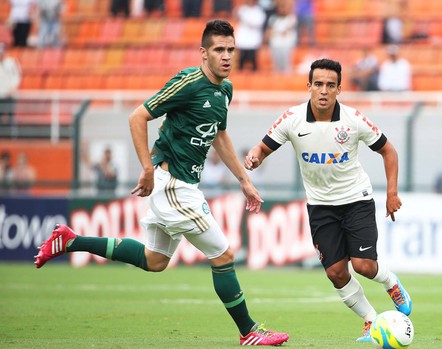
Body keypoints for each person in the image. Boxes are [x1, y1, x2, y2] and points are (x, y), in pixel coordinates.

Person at [34, 19, 289, 347]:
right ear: (203, 53)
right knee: (223, 255)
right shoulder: (188, 82)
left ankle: (71, 241)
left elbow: (219, 136)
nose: (226, 56)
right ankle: (249, 331)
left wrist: (244, 180)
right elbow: (138, 116)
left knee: (154, 261)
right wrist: (146, 168)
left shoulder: (225, 90)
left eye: (231, 50)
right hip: (172, 185)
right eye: (219, 49)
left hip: (182, 185)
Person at [244, 58, 412, 342]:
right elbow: (262, 147)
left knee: (363, 266)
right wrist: (255, 157)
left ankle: (391, 283)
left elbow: (389, 151)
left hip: (356, 200)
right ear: (308, 86)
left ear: (339, 89)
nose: (323, 90)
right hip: (320, 206)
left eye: (330, 85)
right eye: (318, 84)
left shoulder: (353, 120)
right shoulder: (292, 119)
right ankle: (371, 320)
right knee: (335, 272)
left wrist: (392, 193)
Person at [264, 0, 297, 73]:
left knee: (286, 67)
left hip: (287, 46)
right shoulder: (273, 19)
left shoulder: (291, 18)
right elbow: (269, 33)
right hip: (275, 45)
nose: (282, 9)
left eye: (283, 7)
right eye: (280, 7)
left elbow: (284, 31)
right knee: (276, 67)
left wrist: (275, 32)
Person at [234, 0, 266, 71]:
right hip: (242, 41)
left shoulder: (259, 11)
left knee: (253, 63)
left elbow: (257, 23)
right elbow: (235, 15)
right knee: (241, 64)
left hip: (253, 42)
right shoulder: (242, 9)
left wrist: (245, 18)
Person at [0, 43, 21, 135]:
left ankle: (11, 135)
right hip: (0, 94)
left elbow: (16, 76)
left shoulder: (11, 62)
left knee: (10, 115)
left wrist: (13, 88)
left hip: (9, 95)